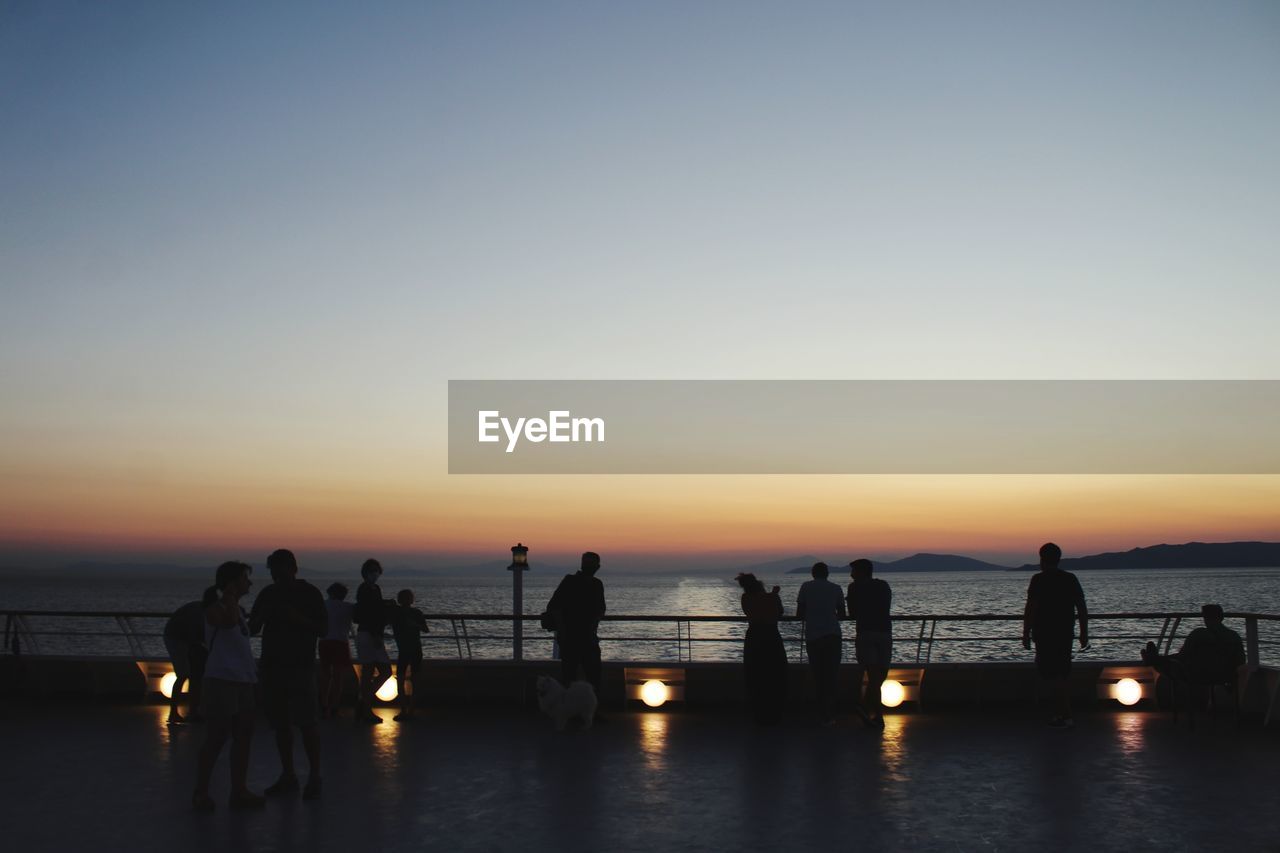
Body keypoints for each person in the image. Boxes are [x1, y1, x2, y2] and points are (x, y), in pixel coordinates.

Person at [249, 548, 327, 800]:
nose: (276, 576)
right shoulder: (268, 594)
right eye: (273, 571)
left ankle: (314, 776)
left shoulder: (310, 594)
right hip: (272, 667)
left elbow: (323, 629)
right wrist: (259, 617)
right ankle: (289, 775)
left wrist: (298, 619)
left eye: (280, 570)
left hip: (300, 667)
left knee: (307, 723)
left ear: (293, 568)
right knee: (281, 725)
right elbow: (252, 628)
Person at [192, 561, 263, 812]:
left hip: (243, 680)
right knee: (217, 737)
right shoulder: (215, 609)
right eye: (245, 578)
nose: (250, 583)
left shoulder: (238, 610)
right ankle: (201, 792)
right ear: (232, 583)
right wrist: (231, 597)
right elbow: (230, 622)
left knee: (244, 736)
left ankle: (239, 790)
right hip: (221, 680)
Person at [1022, 542, 1088, 729]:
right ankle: (1060, 714)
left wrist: (1025, 633)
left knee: (1052, 674)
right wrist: (1084, 633)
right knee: (1061, 673)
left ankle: (1065, 715)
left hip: (1044, 634)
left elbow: (1031, 608)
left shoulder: (1038, 580)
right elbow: (1081, 608)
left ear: (1042, 559)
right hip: (1065, 633)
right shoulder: (1070, 579)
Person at [1141, 603, 1246, 700]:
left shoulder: (1198, 634)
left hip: (1196, 676)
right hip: (1224, 676)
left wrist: (1168, 658)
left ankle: (1154, 659)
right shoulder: (1234, 636)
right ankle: (1155, 659)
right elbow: (1241, 661)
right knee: (1172, 661)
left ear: (1205, 618)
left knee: (1169, 664)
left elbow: (1182, 656)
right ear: (1222, 617)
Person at [546, 552, 607, 708]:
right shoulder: (571, 582)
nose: (590, 567)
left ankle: (589, 711)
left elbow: (601, 610)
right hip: (572, 638)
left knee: (591, 676)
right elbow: (554, 607)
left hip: (583, 637)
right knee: (573, 677)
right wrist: (563, 631)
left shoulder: (595, 584)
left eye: (591, 563)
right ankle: (572, 710)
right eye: (588, 563)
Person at [796, 562, 846, 725]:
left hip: (813, 635)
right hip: (833, 634)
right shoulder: (836, 588)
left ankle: (821, 711)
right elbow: (842, 614)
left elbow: (800, 613)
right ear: (827, 574)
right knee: (831, 673)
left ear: (813, 573)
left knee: (818, 674)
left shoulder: (805, 587)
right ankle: (831, 711)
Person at [736, 573, 787, 725]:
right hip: (771, 636)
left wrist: (771, 595)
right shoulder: (772, 597)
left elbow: (750, 611)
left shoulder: (745, 598)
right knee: (775, 673)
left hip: (754, 637)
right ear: (759, 584)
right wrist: (774, 595)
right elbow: (779, 613)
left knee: (755, 674)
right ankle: (775, 711)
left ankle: (758, 712)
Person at [163, 586, 217, 726]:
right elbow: (195, 637)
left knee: (195, 675)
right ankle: (174, 712)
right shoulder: (200, 614)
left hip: (185, 638)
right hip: (176, 638)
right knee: (183, 674)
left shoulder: (203, 610)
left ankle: (193, 711)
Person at [847, 559, 892, 728]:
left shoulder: (854, 588)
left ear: (860, 572)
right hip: (885, 632)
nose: (851, 575)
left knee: (874, 676)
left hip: (866, 633)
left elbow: (852, 613)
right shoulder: (883, 586)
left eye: (853, 571)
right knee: (880, 675)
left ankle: (870, 711)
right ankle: (872, 712)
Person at [355, 558, 396, 724]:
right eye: (372, 571)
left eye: (376, 571)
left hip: (371, 634)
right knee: (374, 672)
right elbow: (369, 612)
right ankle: (365, 708)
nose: (375, 574)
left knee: (375, 672)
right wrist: (377, 635)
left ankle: (363, 705)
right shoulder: (365, 589)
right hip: (369, 634)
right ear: (365, 573)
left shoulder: (374, 589)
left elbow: (375, 607)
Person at [391, 589, 431, 721]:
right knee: (411, 680)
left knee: (405, 680)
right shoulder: (406, 613)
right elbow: (426, 629)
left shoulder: (399, 613)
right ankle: (408, 710)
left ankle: (406, 710)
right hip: (411, 649)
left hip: (409, 650)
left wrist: (415, 625)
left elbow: (425, 629)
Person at [318, 582, 355, 720]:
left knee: (325, 675)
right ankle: (334, 707)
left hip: (324, 641)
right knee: (338, 677)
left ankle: (323, 705)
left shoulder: (322, 605)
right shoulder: (348, 607)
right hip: (340, 642)